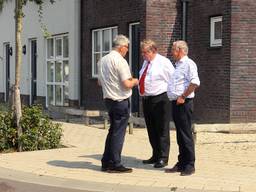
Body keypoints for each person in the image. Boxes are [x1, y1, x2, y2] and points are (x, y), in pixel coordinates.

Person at [98, 35, 139, 173]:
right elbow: (127, 84)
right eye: (126, 47)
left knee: (112, 131)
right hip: (120, 100)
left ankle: (106, 162)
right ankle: (115, 163)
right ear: (121, 47)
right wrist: (136, 81)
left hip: (108, 100)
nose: (127, 50)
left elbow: (99, 82)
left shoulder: (102, 60)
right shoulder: (120, 61)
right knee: (118, 133)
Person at [166, 40, 200, 176]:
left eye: (173, 50)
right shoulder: (177, 65)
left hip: (184, 103)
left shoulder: (188, 64)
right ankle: (181, 162)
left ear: (180, 51)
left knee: (185, 134)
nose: (171, 52)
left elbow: (195, 82)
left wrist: (183, 96)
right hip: (176, 103)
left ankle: (190, 164)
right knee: (180, 134)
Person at [139, 39, 174, 168]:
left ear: (153, 51)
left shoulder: (163, 62)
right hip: (147, 99)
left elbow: (172, 79)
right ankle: (155, 154)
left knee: (162, 129)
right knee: (151, 129)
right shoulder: (146, 63)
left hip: (160, 99)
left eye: (145, 52)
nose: (143, 55)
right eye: (142, 53)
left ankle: (163, 157)